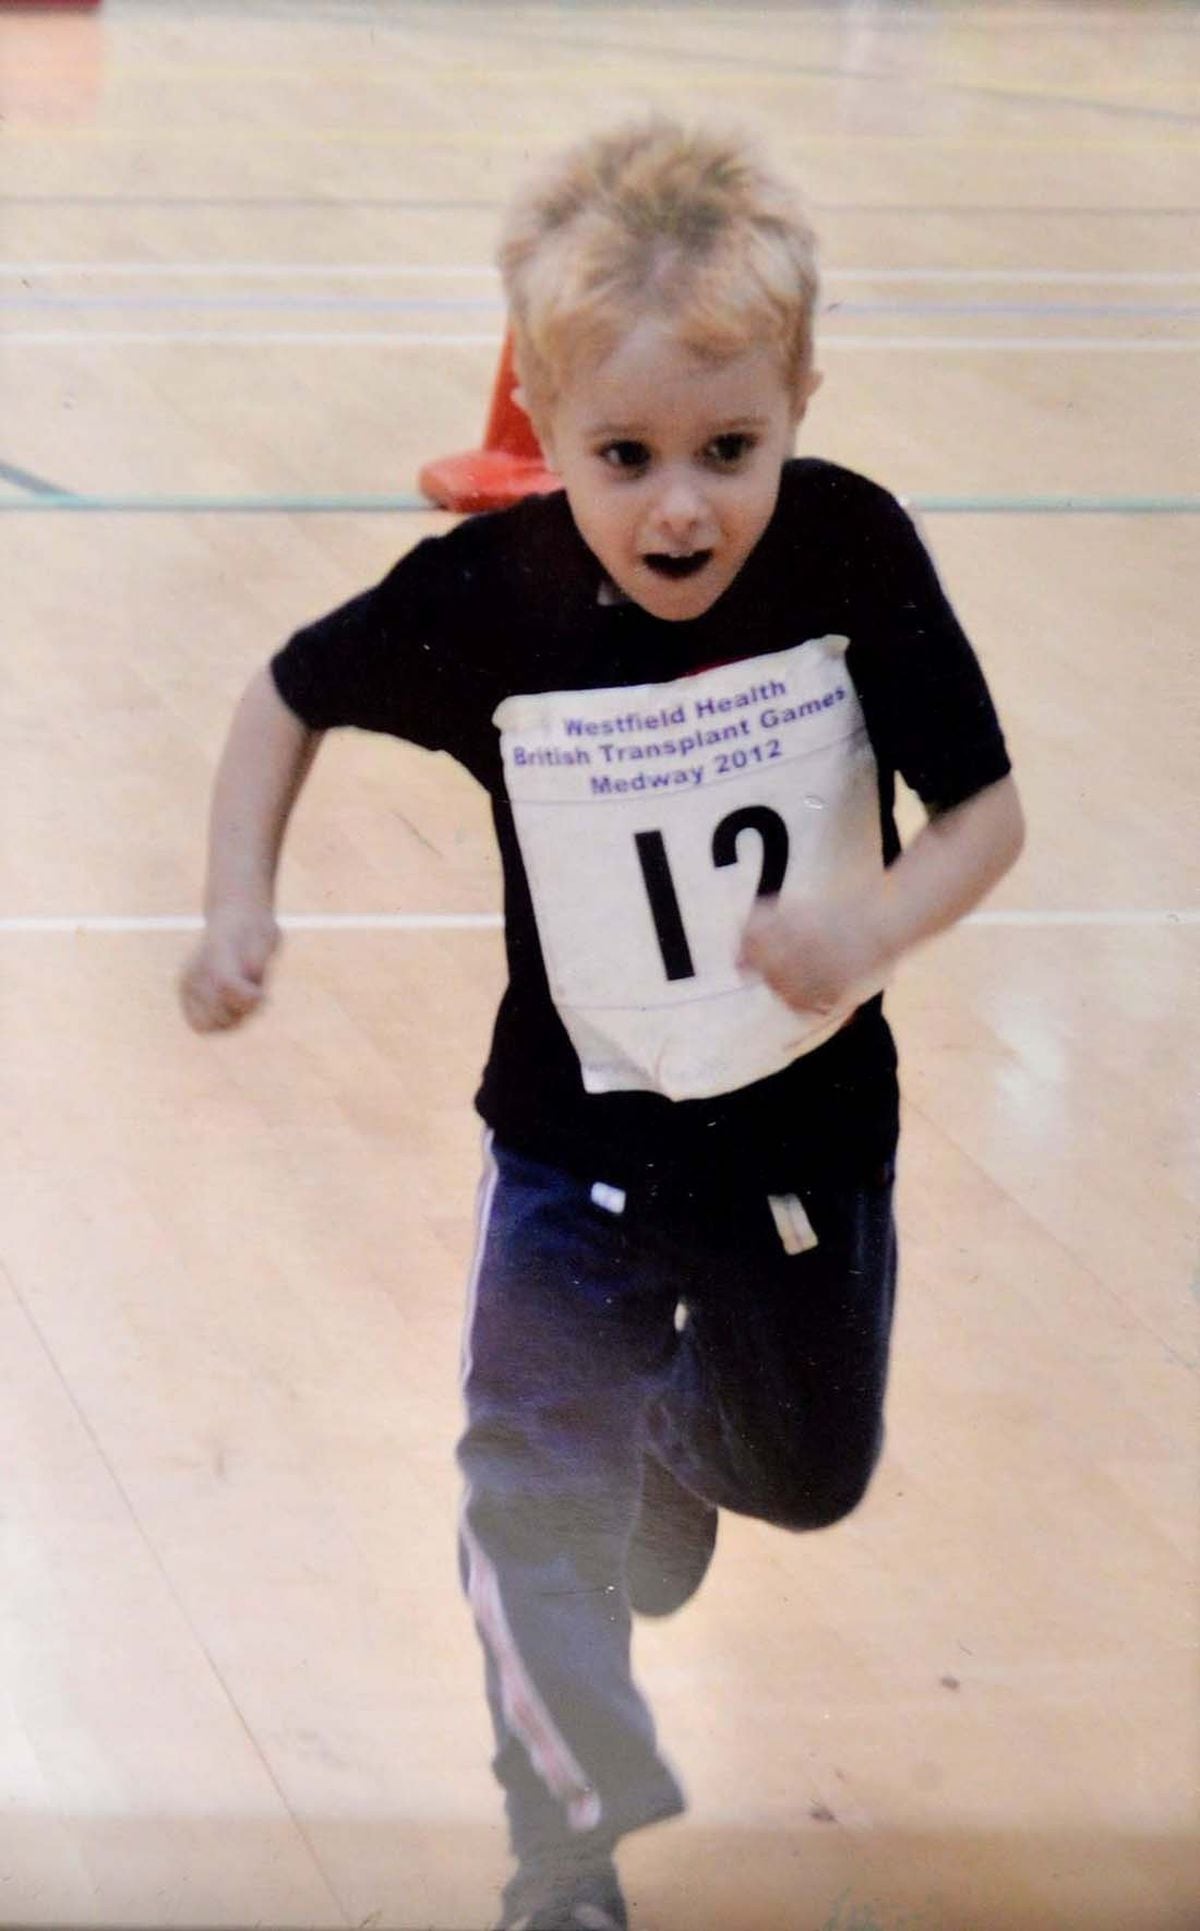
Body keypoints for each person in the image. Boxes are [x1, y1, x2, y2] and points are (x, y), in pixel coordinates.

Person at [180, 118, 1025, 1931]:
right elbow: (281, 697)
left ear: (802, 398)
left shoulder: (856, 555)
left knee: (806, 1473)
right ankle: (562, 1861)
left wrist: (868, 918)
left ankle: (678, 1449)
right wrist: (240, 899)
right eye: (620, 456)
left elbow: (986, 818)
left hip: (807, 1145)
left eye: (731, 450)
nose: (681, 507)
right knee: (527, 1491)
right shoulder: (491, 600)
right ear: (541, 433)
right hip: (575, 1159)